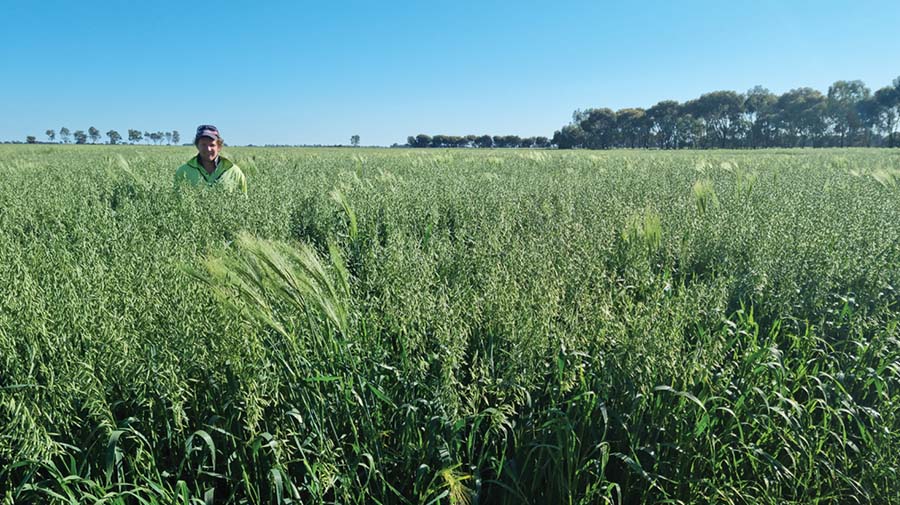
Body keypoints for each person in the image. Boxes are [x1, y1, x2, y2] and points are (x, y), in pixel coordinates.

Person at [174, 125, 247, 195]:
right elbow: (176, 202)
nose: (208, 149)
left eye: (212, 145)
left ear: (219, 147)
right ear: (197, 146)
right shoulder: (183, 172)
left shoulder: (234, 172)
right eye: (203, 144)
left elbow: (244, 202)